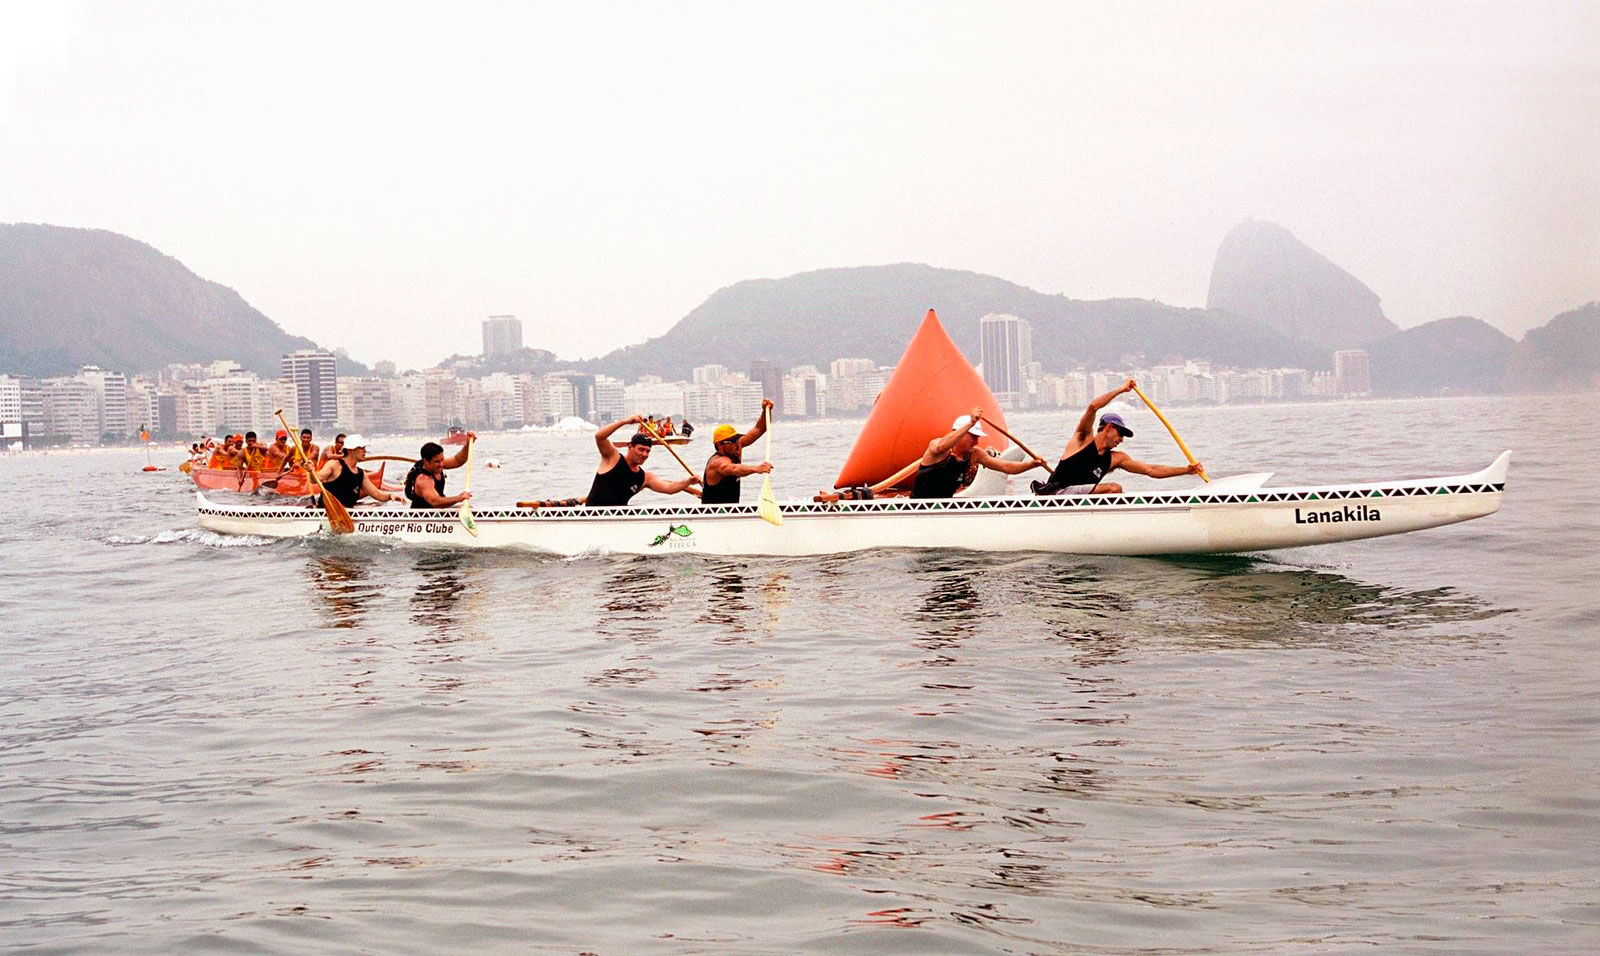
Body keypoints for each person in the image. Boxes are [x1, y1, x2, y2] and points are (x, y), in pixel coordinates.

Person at [1032, 379, 1204, 495]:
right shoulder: (1082, 439)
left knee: (1117, 492)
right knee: (1114, 488)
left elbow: (1151, 470)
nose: (1121, 440)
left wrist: (1186, 470)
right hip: (1056, 494)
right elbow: (1092, 407)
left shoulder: (1116, 459)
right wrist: (1122, 389)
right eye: (1120, 433)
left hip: (1080, 501)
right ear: (1108, 427)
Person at [910, 407, 1047, 499]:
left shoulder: (975, 455)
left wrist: (1032, 464)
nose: (976, 441)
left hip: (944, 506)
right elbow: (941, 446)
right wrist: (971, 423)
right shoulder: (937, 448)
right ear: (959, 434)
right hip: (919, 506)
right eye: (973, 436)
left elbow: (1006, 467)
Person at [586, 415, 700, 507]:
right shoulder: (612, 458)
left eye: (648, 451)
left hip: (618, 520)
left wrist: (688, 481)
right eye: (641, 449)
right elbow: (599, 436)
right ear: (630, 446)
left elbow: (668, 488)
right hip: (592, 517)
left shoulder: (645, 477)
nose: (644, 454)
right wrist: (625, 421)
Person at [701, 399, 776, 505]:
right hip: (713, 514)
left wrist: (765, 411)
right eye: (732, 441)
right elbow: (733, 468)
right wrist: (756, 468)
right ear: (719, 445)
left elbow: (759, 428)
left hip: (732, 509)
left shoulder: (736, 447)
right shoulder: (717, 462)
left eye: (736, 439)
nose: (737, 444)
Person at [311, 434, 404, 507]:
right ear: (351, 450)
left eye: (365, 448)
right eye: (361, 448)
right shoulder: (335, 465)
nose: (365, 451)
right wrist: (310, 471)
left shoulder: (361, 474)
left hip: (346, 515)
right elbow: (315, 479)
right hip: (325, 513)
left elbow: (376, 493)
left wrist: (390, 496)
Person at [405, 435, 477, 508]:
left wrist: (467, 445)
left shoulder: (437, 464)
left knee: (468, 507)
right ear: (426, 461)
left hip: (437, 509)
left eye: (442, 459)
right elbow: (435, 502)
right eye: (437, 461)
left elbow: (457, 461)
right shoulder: (423, 480)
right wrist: (459, 498)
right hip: (424, 514)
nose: (441, 464)